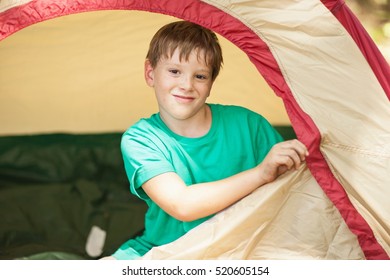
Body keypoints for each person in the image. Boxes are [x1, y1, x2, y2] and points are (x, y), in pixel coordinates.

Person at [108, 21, 308, 260]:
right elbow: (182, 204)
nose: (186, 85)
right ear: (150, 73)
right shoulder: (140, 138)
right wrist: (260, 173)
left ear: (211, 83)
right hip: (167, 250)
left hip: (245, 248)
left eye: (200, 76)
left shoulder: (249, 125)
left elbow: (293, 198)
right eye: (174, 71)